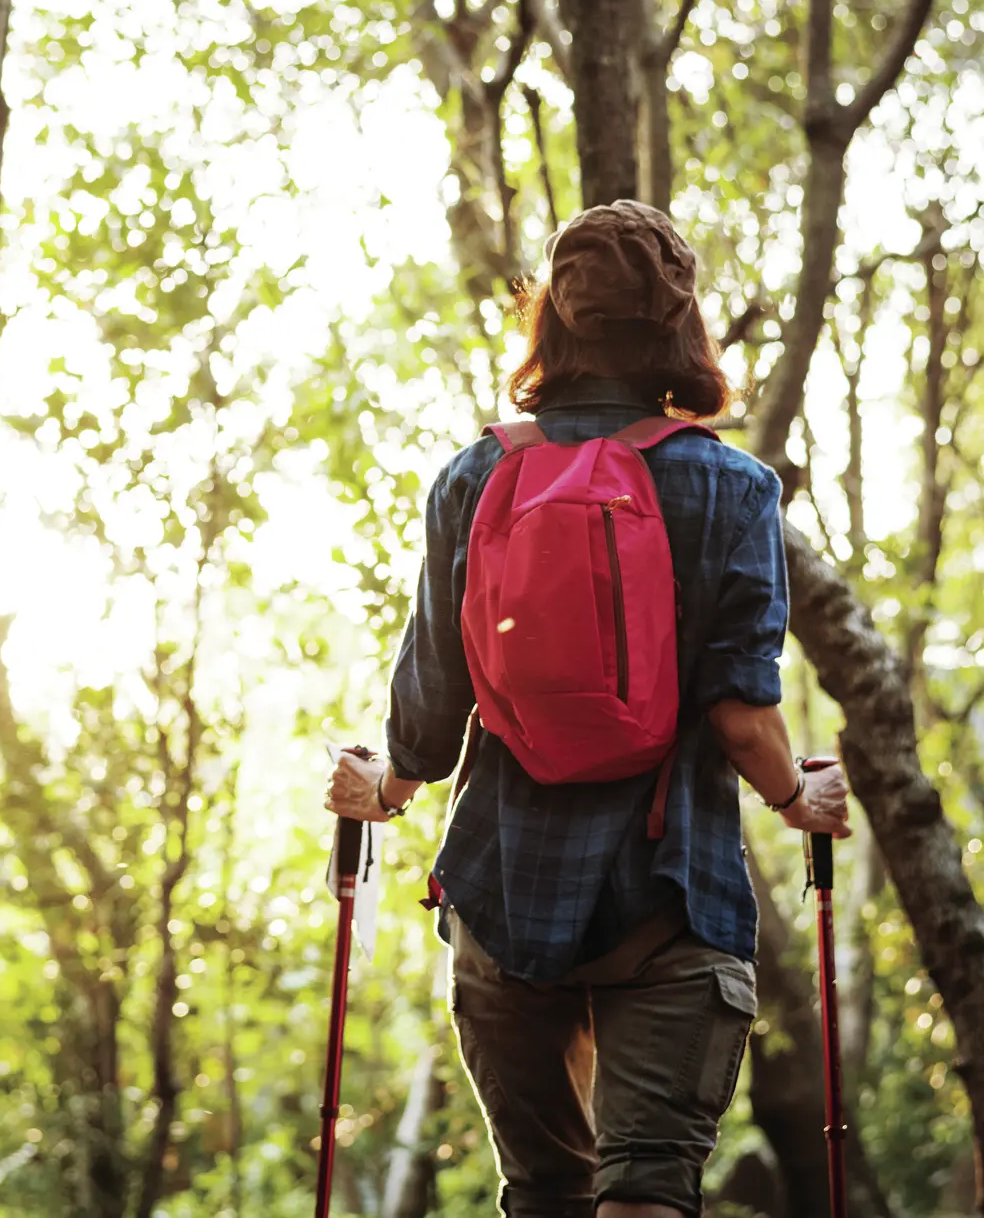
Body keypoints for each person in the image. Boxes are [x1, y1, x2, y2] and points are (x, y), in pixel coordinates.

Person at [326, 201, 851, 1218]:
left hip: (503, 895)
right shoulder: (735, 489)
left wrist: (378, 792)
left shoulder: (475, 476)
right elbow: (744, 720)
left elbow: (430, 712)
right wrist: (799, 796)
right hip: (671, 891)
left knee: (544, 1194)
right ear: (678, 327)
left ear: (551, 324)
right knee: (647, 1193)